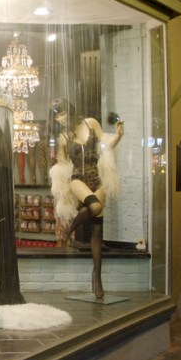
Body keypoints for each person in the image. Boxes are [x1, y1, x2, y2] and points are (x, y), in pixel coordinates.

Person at [49, 98, 123, 299]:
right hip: (77, 178)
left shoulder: (91, 123)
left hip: (97, 177)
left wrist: (118, 136)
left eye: (62, 113)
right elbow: (62, 167)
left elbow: (106, 146)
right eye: (57, 116)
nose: (60, 119)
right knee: (95, 207)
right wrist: (63, 195)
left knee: (97, 230)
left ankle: (97, 277)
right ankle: (71, 229)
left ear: (70, 110)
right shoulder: (63, 137)